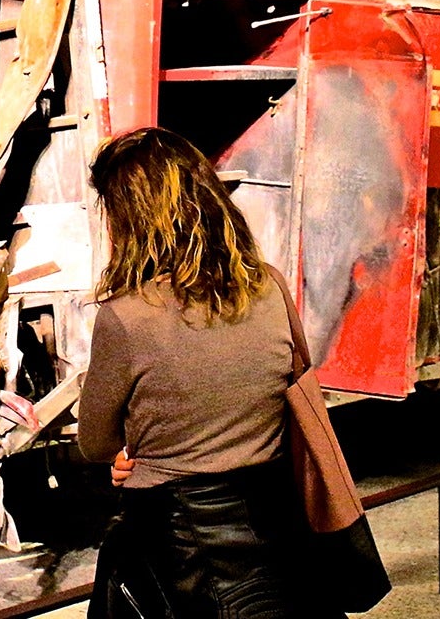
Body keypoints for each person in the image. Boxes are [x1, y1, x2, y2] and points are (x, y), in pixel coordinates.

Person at [77, 127, 342, 619]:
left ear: (129, 221)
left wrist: (133, 448)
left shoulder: (126, 318)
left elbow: (94, 442)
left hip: (175, 553)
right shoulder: (269, 287)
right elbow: (294, 389)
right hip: (277, 535)